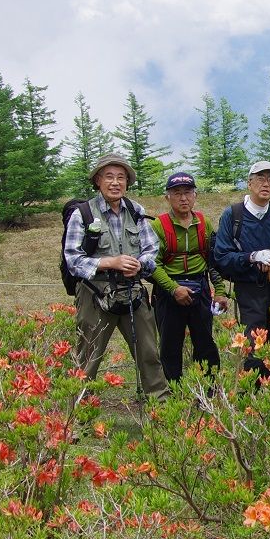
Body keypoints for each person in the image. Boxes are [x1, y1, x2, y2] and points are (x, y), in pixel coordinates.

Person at [62, 153, 168, 398]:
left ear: (127, 182)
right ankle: (78, 421)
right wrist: (110, 262)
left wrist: (139, 265)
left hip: (133, 292)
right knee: (88, 358)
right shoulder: (83, 214)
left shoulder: (136, 210)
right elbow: (72, 260)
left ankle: (161, 413)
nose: (115, 182)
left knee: (149, 353)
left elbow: (152, 249)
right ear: (98, 180)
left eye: (121, 177)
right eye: (109, 176)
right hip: (94, 295)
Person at [213, 161, 270, 379]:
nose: (266, 184)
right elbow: (222, 256)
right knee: (254, 341)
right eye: (260, 178)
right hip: (249, 289)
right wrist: (252, 257)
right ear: (249, 183)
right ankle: (255, 395)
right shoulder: (233, 215)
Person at [150, 171, 228, 382]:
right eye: (177, 193)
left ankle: (207, 391)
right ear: (167, 197)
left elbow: (213, 260)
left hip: (199, 288)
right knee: (169, 346)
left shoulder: (204, 223)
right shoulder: (158, 226)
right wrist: (174, 289)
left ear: (195, 195)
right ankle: (173, 394)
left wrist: (219, 291)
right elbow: (151, 264)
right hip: (168, 292)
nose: (183, 198)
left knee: (205, 344)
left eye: (187, 192)